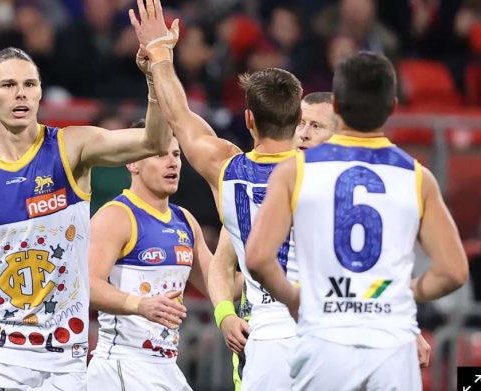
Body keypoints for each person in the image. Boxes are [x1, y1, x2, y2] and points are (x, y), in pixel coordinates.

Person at [0, 46, 171, 391]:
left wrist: (154, 74)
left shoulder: (72, 148)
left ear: (39, 91)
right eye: (8, 85)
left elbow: (155, 140)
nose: (21, 93)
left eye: (30, 84)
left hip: (64, 357)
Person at [245, 51, 469, 390]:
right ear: (393, 108)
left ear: (336, 107)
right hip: (391, 348)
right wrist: (402, 292)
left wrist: (295, 300)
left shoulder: (296, 170)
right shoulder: (417, 177)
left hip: (323, 341)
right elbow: (454, 272)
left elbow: (258, 257)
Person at [129, 1, 303, 389]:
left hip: (267, 335)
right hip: (324, 327)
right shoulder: (326, 172)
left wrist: (159, 53)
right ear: (298, 121)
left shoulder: (228, 168)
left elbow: (180, 118)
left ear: (248, 120)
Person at [87, 128, 211, 390]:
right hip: (123, 364)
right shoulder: (116, 216)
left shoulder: (185, 220)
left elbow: (220, 286)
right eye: (159, 154)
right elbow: (86, 284)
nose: (172, 162)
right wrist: (140, 304)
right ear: (133, 162)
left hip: (166, 366)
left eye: (176, 154)